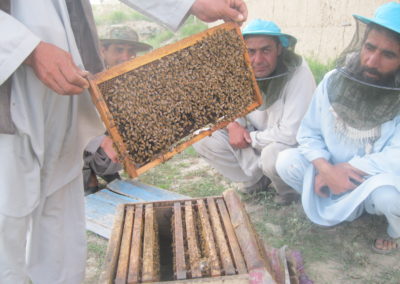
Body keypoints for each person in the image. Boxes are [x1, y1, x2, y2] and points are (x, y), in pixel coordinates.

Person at [0, 0, 247, 282]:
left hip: (66, 98)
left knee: (61, 228)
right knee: (6, 220)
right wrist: (29, 49)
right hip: (10, 87)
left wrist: (189, 3)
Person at [276, 2, 400, 254]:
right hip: (329, 170)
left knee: (390, 198)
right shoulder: (333, 80)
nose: (372, 61)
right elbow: (309, 133)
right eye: (369, 47)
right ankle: (337, 201)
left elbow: (396, 156)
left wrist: (346, 168)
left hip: (372, 180)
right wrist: (325, 168)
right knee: (285, 161)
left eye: (388, 55)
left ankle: (394, 230)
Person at [193, 19, 316, 205]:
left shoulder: (298, 74)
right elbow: (226, 106)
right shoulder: (239, 67)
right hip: (256, 137)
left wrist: (250, 137)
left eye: (266, 50)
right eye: (251, 51)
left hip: (288, 145)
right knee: (203, 137)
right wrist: (232, 125)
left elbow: (290, 134)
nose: (258, 60)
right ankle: (257, 181)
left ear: (279, 49)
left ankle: (288, 192)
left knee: (273, 155)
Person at [83, 25, 152, 195]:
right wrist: (99, 140)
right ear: (102, 50)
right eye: (119, 50)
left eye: (131, 51)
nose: (125, 57)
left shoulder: (135, 78)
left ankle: (111, 175)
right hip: (86, 144)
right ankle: (86, 178)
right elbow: (67, 122)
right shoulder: (84, 76)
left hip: (114, 150)